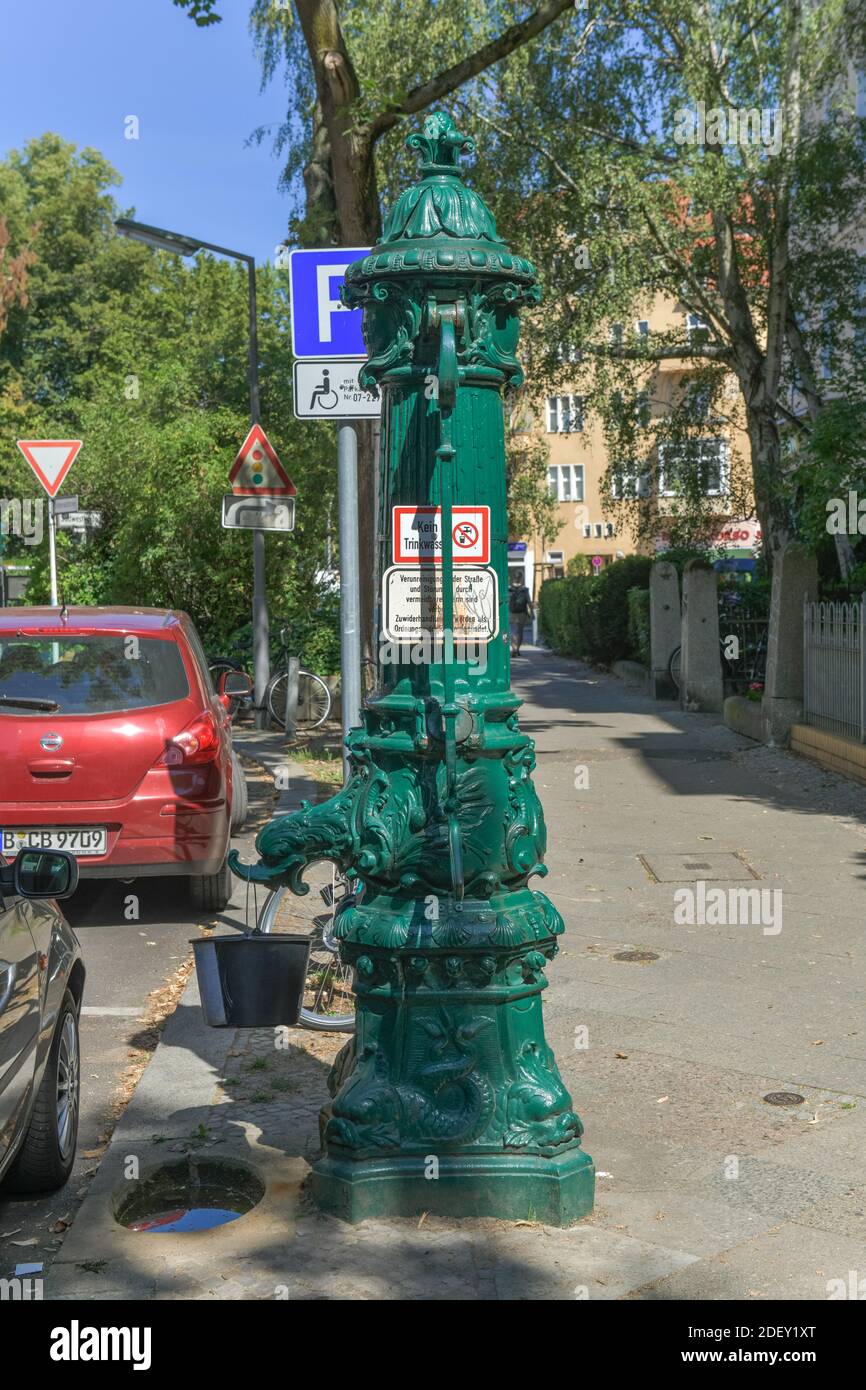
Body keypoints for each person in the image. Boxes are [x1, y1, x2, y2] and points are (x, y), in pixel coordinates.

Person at [508, 575, 533, 656]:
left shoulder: (509, 589)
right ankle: (517, 649)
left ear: (513, 579)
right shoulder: (525, 590)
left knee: (512, 631)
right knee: (520, 632)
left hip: (511, 613)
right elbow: (529, 602)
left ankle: (513, 649)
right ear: (521, 579)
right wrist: (532, 613)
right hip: (522, 613)